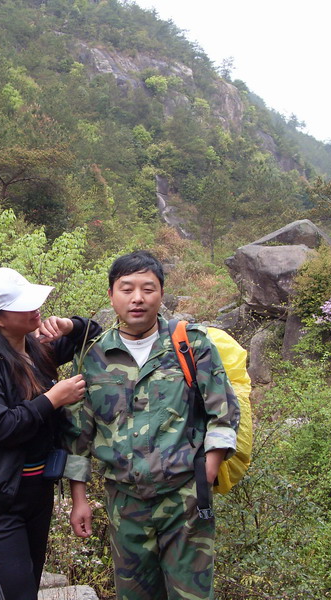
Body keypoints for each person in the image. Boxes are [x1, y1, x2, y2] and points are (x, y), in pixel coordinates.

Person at [63, 250, 240, 600]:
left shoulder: (192, 344)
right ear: (111, 295)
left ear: (161, 294)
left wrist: (207, 472)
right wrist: (78, 499)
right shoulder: (93, 356)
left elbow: (223, 412)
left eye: (148, 288)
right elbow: (78, 434)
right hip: (124, 503)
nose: (138, 298)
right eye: (127, 288)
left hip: (185, 501)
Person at [0, 267, 100, 600]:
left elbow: (93, 334)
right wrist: (53, 399)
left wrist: (70, 325)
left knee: (27, 588)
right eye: (23, 305)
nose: (36, 309)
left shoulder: (36, 347)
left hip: (36, 492)